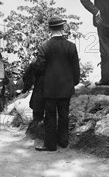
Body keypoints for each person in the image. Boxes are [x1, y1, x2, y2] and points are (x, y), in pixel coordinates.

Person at [32, 16, 80, 152]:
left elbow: (39, 67)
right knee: (64, 115)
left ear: (49, 29)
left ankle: (50, 144)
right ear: (62, 28)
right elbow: (76, 69)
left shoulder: (44, 47)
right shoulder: (71, 46)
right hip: (66, 88)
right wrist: (73, 83)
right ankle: (63, 141)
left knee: (50, 116)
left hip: (49, 89)